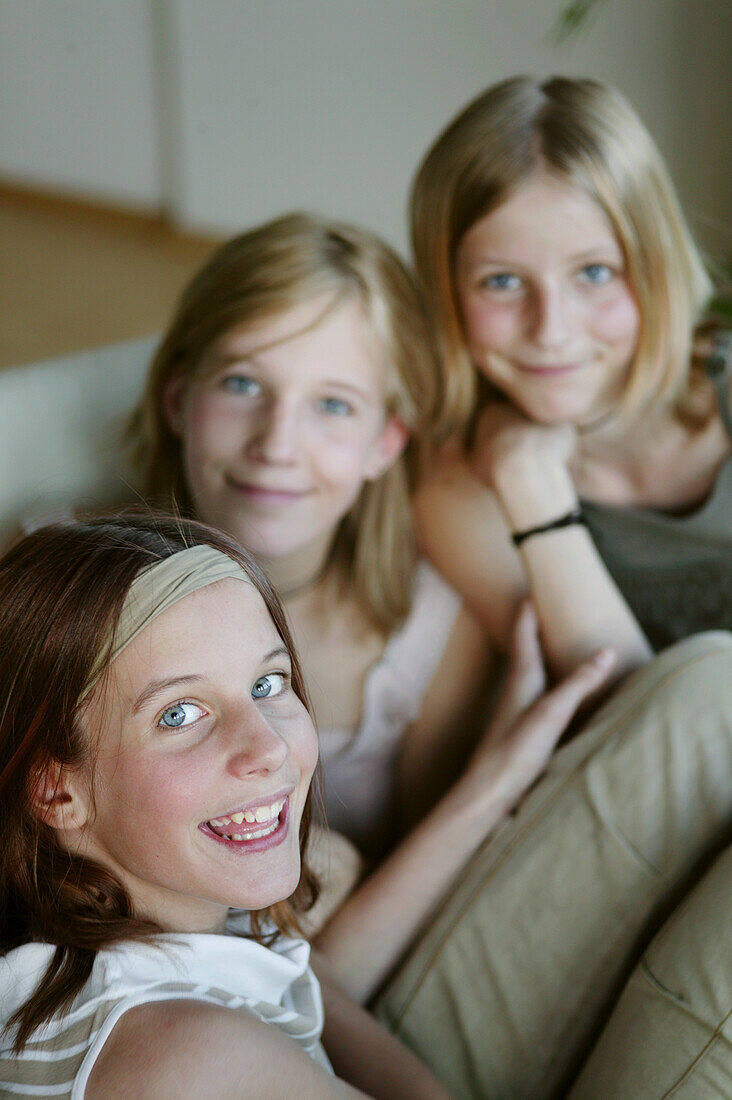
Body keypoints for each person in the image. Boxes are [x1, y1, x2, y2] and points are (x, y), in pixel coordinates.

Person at [127, 212, 615, 1002]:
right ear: (180, 397)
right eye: (243, 384)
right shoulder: (67, 576)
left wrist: (493, 779)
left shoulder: (426, 629)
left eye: (334, 406)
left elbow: (383, 952)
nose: (276, 444)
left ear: (387, 442)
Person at [0, 513, 456, 1098]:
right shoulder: (196, 1059)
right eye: (180, 714)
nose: (267, 746)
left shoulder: (59, 979)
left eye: (267, 684)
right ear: (57, 791)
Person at [411, 75, 731, 671]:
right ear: (448, 293)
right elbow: (622, 713)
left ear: (656, 266)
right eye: (501, 282)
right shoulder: (460, 491)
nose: (551, 329)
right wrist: (532, 489)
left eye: (594, 273)